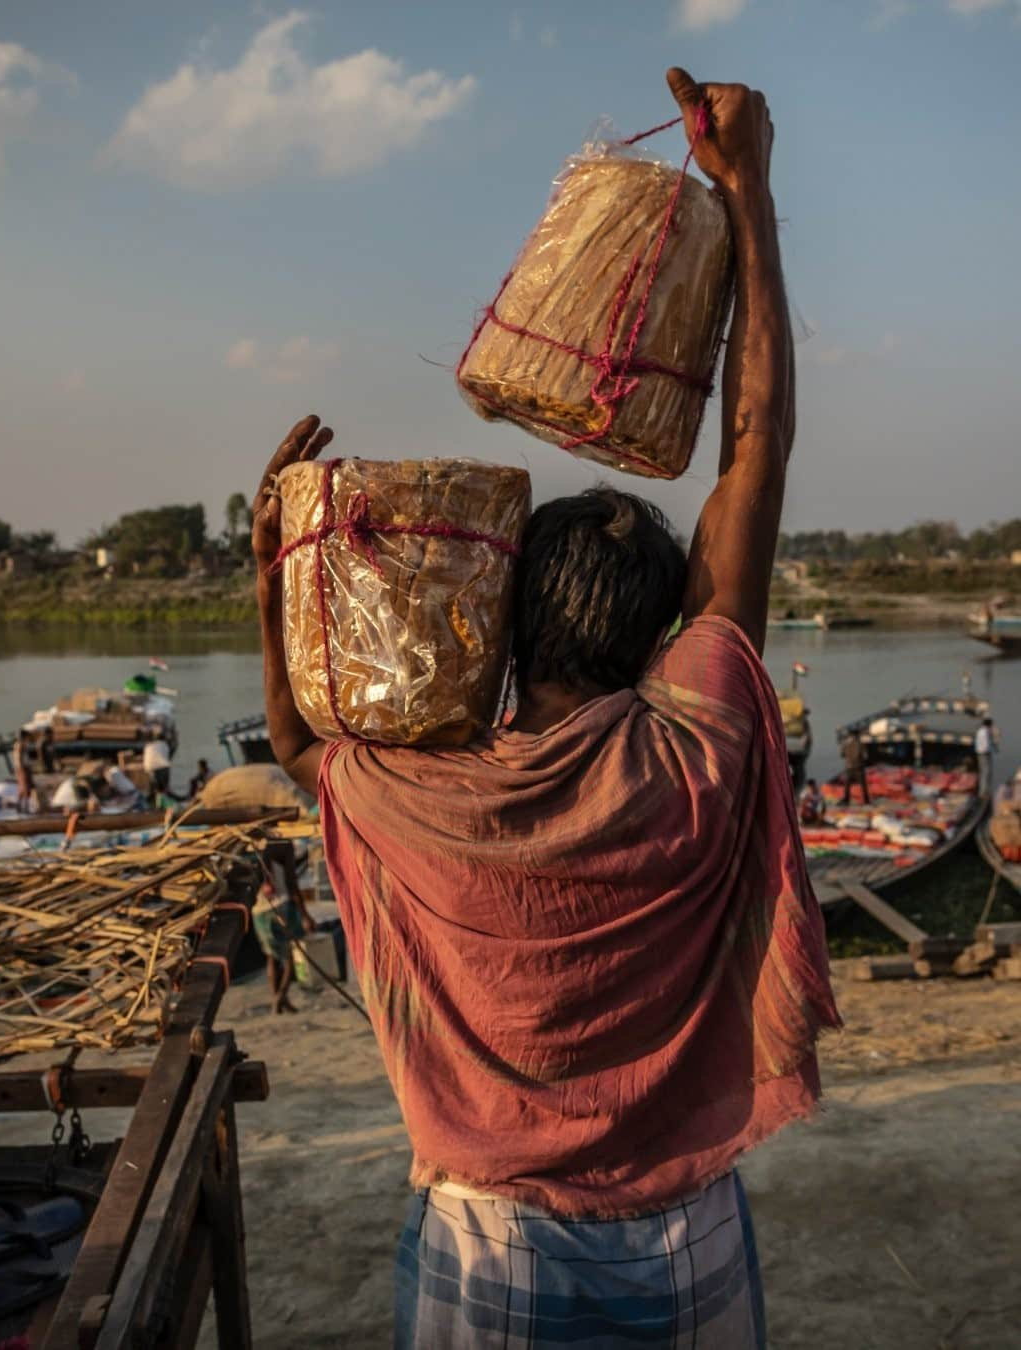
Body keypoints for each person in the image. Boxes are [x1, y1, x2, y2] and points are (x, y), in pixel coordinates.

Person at [254, 71, 840, 1349]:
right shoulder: (696, 742)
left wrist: (278, 573)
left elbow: (297, 739)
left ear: (504, 630)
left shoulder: (418, 792)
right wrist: (749, 196)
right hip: (689, 1230)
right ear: (661, 633)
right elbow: (755, 445)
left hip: (487, 1238)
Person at [251, 839, 314, 1014]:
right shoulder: (284, 845)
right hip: (281, 908)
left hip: (258, 912)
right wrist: (305, 915)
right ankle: (280, 997)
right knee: (290, 957)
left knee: (271, 957)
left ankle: (278, 1000)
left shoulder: (252, 847)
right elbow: (292, 884)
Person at [840, 730, 870, 807]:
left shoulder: (846, 744)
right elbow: (865, 756)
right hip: (858, 767)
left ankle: (846, 800)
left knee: (847, 785)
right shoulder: (860, 744)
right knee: (863, 785)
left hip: (849, 767)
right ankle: (866, 801)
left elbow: (842, 755)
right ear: (857, 736)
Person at [14, 729, 35, 814]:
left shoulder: (19, 744)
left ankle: (19, 806)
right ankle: (25, 807)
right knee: (26, 787)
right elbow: (19, 757)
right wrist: (22, 768)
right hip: (23, 768)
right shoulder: (21, 745)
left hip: (21, 768)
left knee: (22, 788)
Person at [975, 717, 996, 798]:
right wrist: (992, 750)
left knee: (983, 772)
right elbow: (986, 745)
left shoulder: (980, 731)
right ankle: (983, 792)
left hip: (980, 753)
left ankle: (983, 791)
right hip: (985, 753)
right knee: (986, 772)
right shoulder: (985, 732)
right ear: (989, 724)